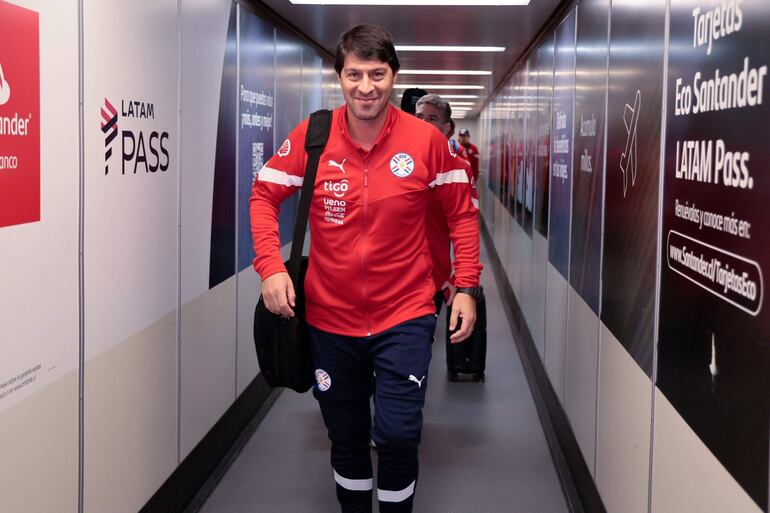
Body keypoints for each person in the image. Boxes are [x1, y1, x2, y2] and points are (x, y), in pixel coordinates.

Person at [249, 24, 482, 513]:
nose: (365, 86)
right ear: (339, 77)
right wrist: (271, 267)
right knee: (346, 437)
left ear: (393, 76)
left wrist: (466, 287)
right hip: (331, 321)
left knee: (397, 435)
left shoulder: (427, 142)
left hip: (406, 315)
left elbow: (461, 214)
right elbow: (264, 194)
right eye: (354, 74)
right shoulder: (313, 137)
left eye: (377, 74)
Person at [414, 94, 480, 314]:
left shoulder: (457, 168)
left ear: (446, 128)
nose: (422, 124)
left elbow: (463, 225)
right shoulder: (395, 163)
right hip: (393, 278)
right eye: (419, 117)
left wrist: (462, 282)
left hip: (433, 278)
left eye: (431, 118)